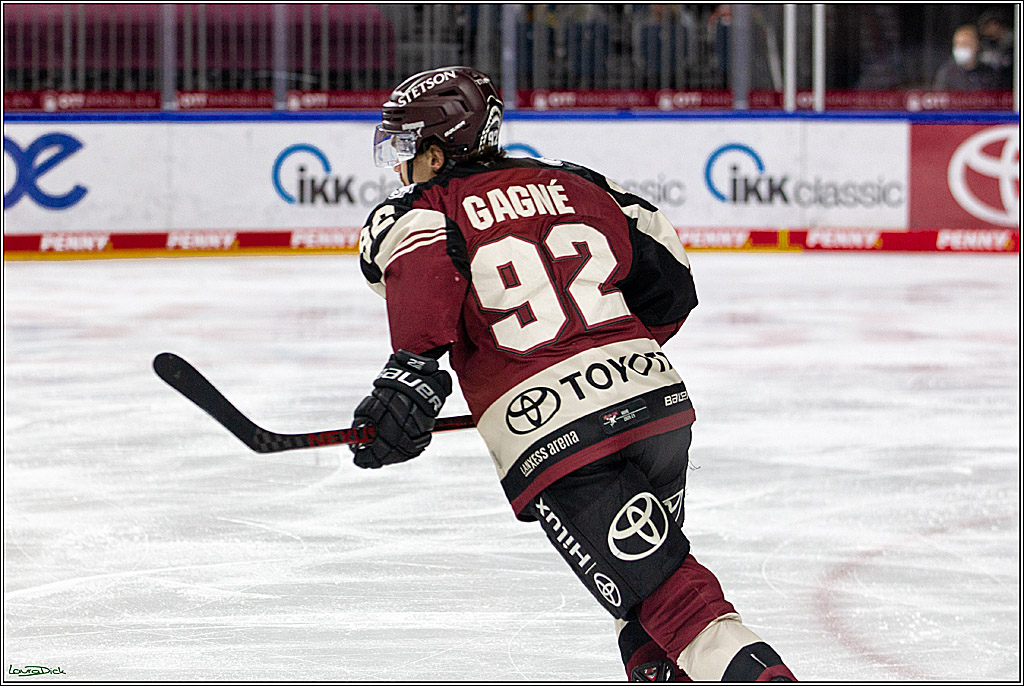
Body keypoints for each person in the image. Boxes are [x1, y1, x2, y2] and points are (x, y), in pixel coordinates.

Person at [352, 65, 797, 682]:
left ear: (435, 150)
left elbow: (415, 262)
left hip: (557, 439)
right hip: (656, 407)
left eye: (405, 150)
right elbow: (670, 280)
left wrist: (413, 372)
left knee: (672, 597)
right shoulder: (580, 183)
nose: (399, 169)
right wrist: (607, 353)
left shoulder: (424, 206)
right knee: (637, 593)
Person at [933, 24, 998, 91]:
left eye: (965, 43)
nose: (961, 47)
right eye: (958, 44)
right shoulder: (947, 73)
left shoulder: (988, 73)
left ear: (977, 45)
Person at [977, 9, 1014, 89]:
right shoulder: (985, 44)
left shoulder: (1013, 42)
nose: (985, 30)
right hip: (993, 86)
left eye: (988, 25)